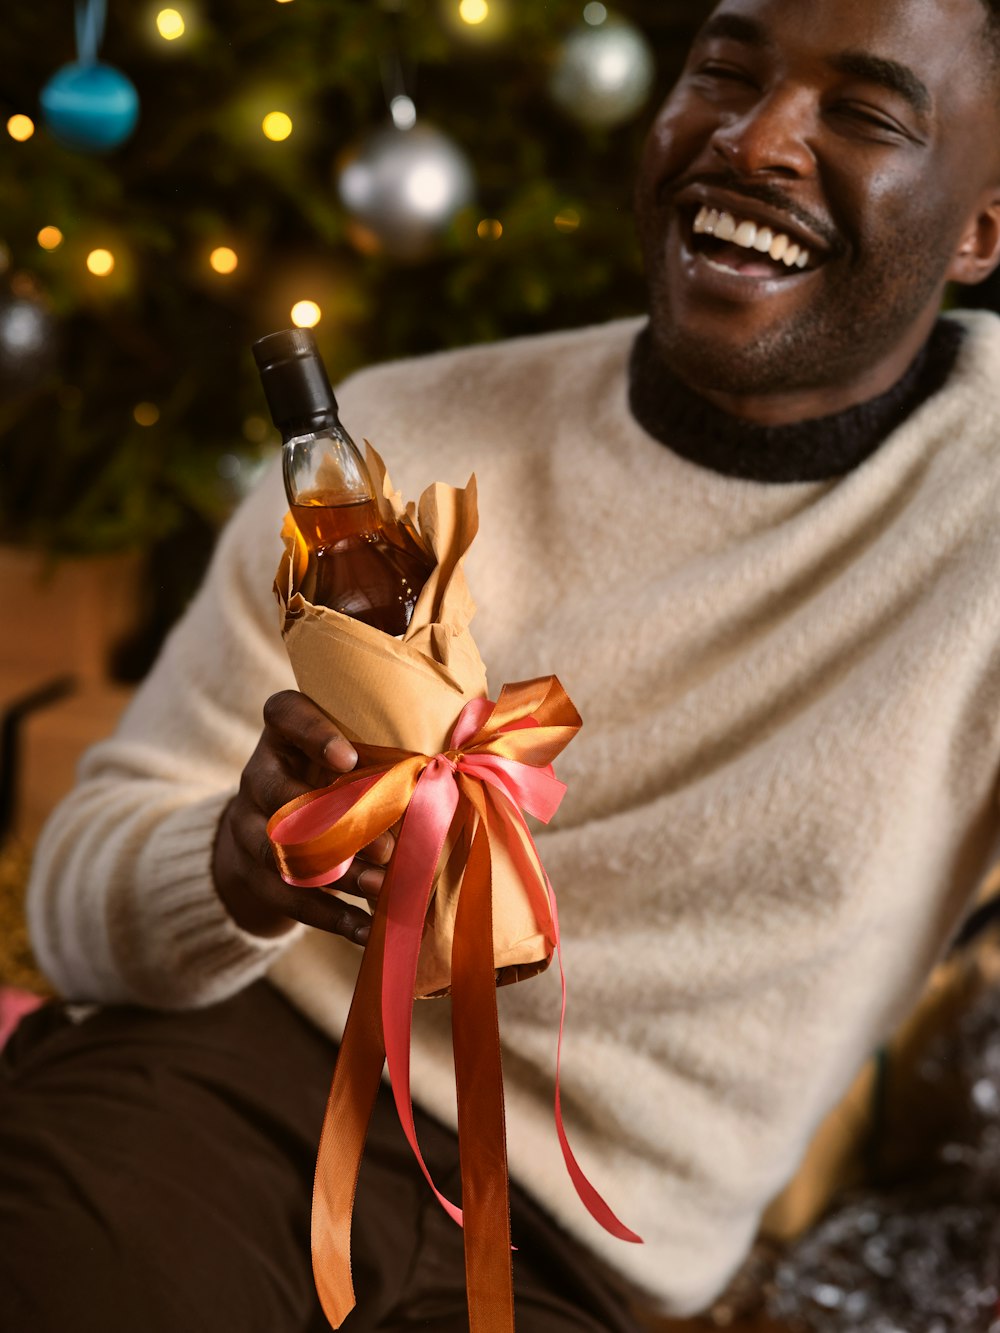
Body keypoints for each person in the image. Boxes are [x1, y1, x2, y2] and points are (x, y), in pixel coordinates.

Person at [5, 0, 1000, 1327]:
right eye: (723, 71)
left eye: (864, 113)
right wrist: (235, 868)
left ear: (984, 226)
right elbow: (76, 895)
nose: (755, 139)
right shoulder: (397, 436)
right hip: (224, 1082)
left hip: (584, 1252)